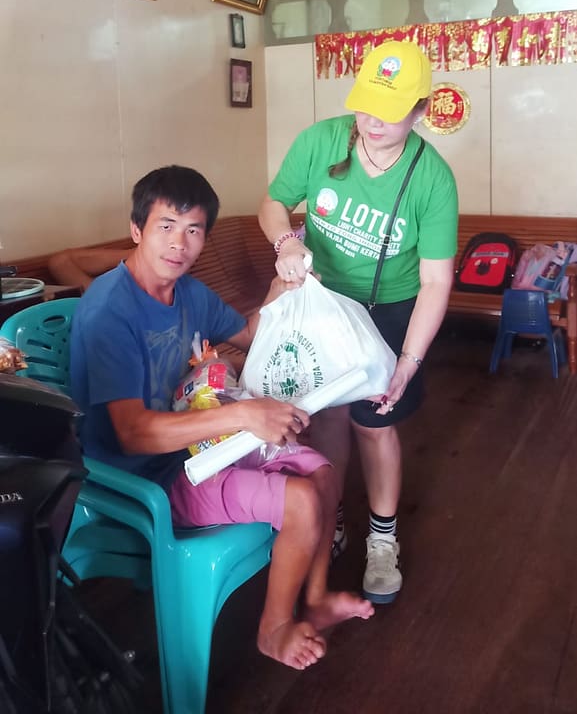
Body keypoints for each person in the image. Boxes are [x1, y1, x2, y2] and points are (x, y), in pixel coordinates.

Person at [69, 165, 373, 671]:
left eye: (193, 230)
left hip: (195, 447)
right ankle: (273, 629)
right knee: (300, 501)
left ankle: (316, 598)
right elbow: (133, 434)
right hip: (143, 476)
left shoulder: (187, 292)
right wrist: (246, 416)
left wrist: (283, 288)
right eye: (166, 226)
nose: (179, 243)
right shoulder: (109, 312)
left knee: (320, 469)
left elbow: (248, 334)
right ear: (137, 230)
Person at [258, 40, 458, 605]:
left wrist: (408, 361)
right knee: (325, 418)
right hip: (324, 301)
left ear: (421, 110)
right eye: (366, 104)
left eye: (389, 111)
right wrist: (285, 243)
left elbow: (436, 281)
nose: (372, 121)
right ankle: (333, 515)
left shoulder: (432, 178)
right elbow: (273, 204)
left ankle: (383, 539)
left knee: (374, 422)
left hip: (391, 309)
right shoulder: (320, 140)